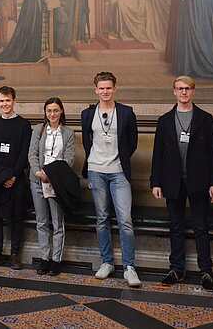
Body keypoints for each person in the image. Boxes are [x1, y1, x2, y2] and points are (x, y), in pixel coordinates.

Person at [151, 76, 213, 291]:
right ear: (174, 92)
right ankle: (176, 269)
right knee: (176, 226)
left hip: (199, 181)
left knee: (201, 227)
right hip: (173, 181)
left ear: (193, 91)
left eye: (187, 88)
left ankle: (206, 271)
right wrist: (155, 182)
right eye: (180, 88)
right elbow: (158, 153)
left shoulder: (205, 118)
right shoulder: (164, 120)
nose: (183, 92)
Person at [81, 72, 141, 287]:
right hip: (96, 171)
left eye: (108, 88)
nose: (105, 91)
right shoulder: (88, 114)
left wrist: (118, 159)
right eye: (101, 88)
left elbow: (132, 142)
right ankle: (107, 262)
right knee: (102, 218)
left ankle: (129, 267)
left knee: (125, 220)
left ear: (114, 89)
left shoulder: (126, 112)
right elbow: (87, 141)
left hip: (119, 172)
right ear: (96, 90)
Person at [0, 86, 32, 270]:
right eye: (1, 101)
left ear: (14, 101)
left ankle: (15, 254)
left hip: (16, 179)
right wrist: (2, 177)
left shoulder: (23, 125)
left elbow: (24, 154)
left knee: (16, 217)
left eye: (8, 100)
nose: (5, 104)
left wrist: (12, 175)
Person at [28, 97, 75, 276]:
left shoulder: (68, 132)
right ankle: (44, 259)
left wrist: (52, 175)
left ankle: (56, 260)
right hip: (37, 180)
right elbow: (32, 153)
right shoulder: (38, 130)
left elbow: (69, 158)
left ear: (61, 111)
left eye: (55, 110)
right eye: (49, 111)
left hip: (57, 182)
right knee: (41, 222)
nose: (52, 114)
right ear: (45, 112)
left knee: (57, 222)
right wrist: (38, 172)